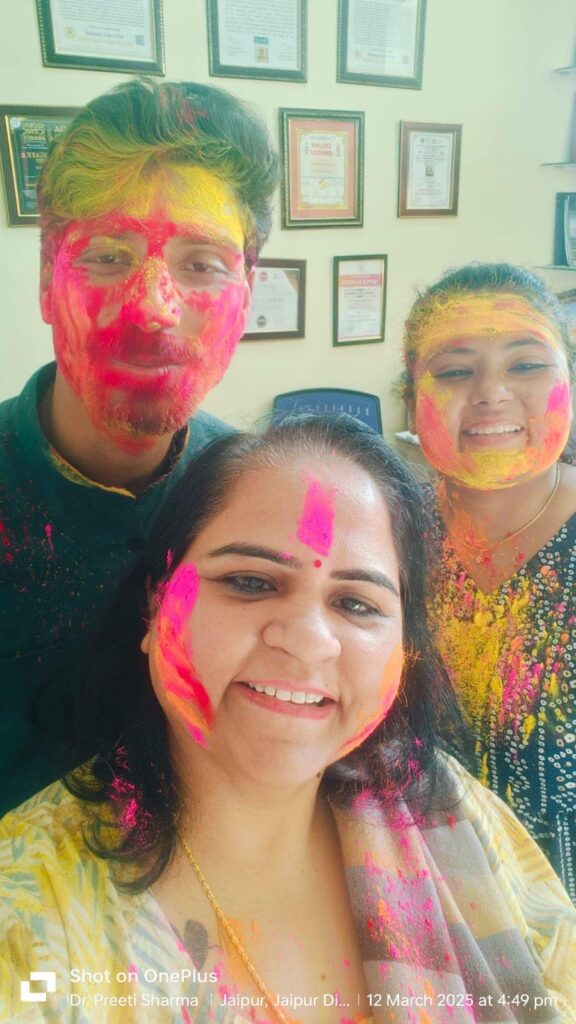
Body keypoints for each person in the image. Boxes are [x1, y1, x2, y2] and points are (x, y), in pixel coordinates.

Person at [0, 416, 574, 1023]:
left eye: (356, 603)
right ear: (154, 605)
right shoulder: (26, 916)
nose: (305, 640)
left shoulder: (450, 810)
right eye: (250, 582)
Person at [0, 77, 278, 813]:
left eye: (202, 264)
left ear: (247, 295)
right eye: (106, 256)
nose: (154, 308)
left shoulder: (255, 498)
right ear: (46, 281)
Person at [402, 263, 576, 901]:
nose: (491, 394)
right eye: (454, 371)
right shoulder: (382, 535)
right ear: (410, 398)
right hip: (416, 898)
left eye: (526, 365)